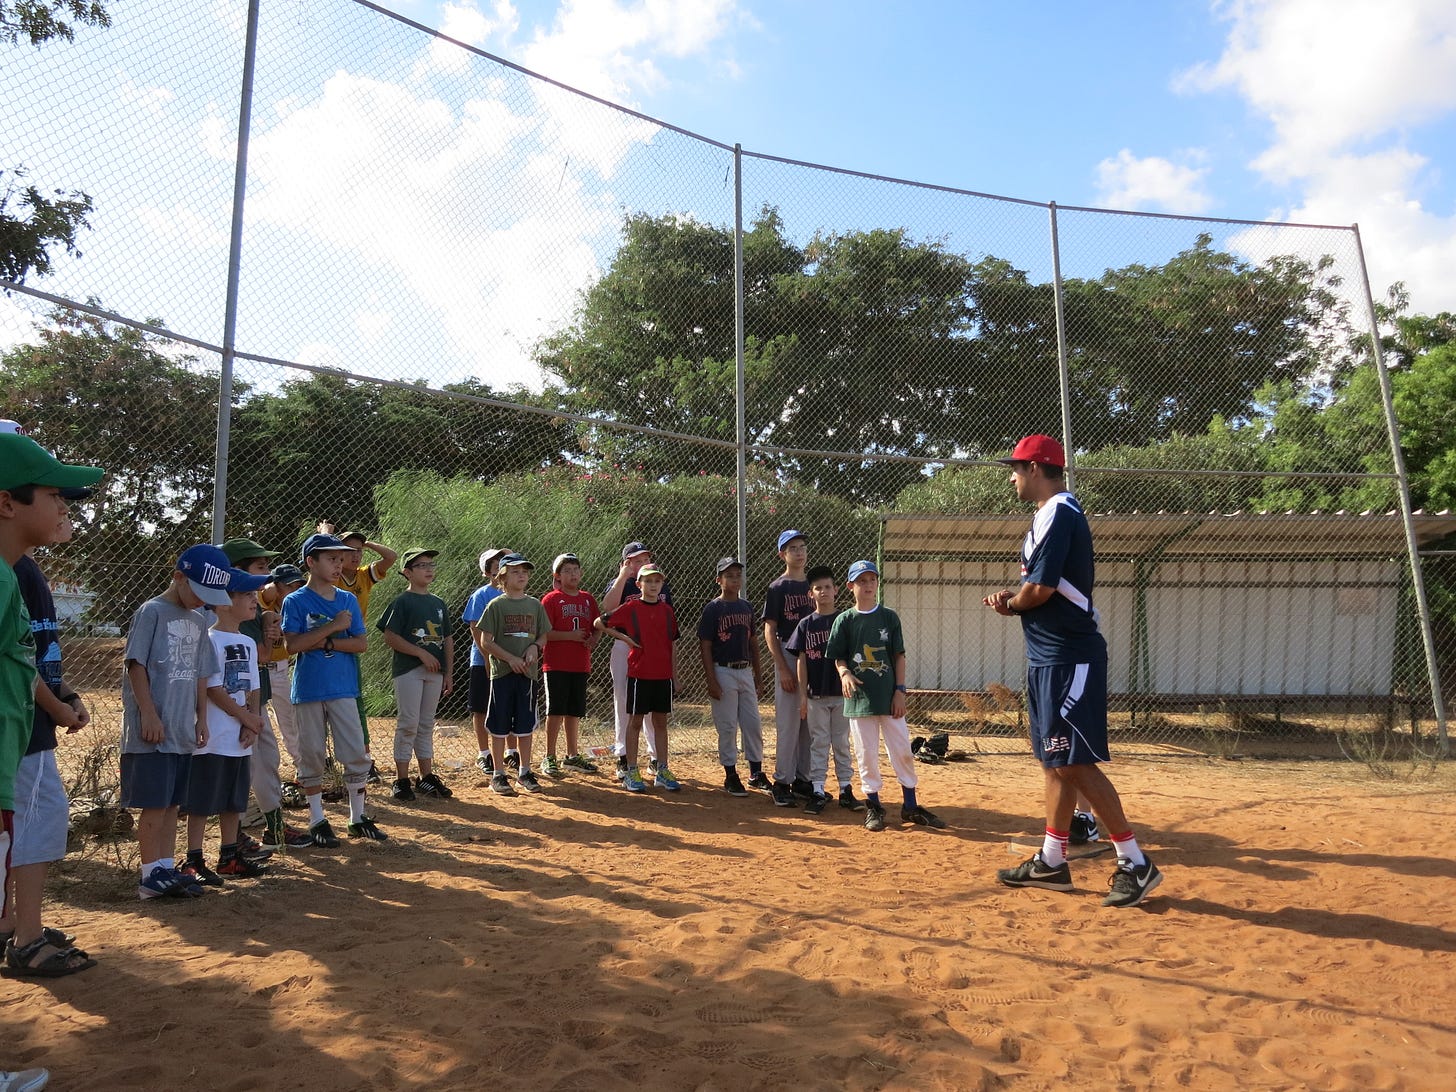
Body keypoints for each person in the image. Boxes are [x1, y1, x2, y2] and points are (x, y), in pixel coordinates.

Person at [984, 435, 1162, 907]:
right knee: (1055, 761)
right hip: (1048, 656)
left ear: (1039, 468)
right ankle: (1051, 861)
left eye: (1018, 468)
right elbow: (1041, 587)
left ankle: (1135, 862)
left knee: (1075, 761)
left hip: (1069, 657)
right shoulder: (1047, 516)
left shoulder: (1061, 511)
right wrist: (1014, 598)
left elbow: (1039, 591)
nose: (1012, 476)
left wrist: (1013, 605)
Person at [0, 432, 102, 972]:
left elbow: (24, 655)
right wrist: (56, 705)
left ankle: (15, 925)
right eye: (51, 492)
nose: (64, 505)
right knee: (31, 828)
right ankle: (24, 939)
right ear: (7, 502)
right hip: (18, 736)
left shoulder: (20, 569)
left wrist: (63, 692)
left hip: (24, 727)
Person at [120, 543, 230, 898]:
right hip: (154, 727)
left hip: (182, 726)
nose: (202, 601)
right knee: (154, 803)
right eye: (199, 592)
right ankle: (149, 875)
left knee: (171, 804)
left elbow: (200, 674)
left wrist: (201, 718)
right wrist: (148, 714)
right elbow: (136, 666)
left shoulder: (200, 619)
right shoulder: (151, 611)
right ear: (178, 577)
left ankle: (165, 868)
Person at [281, 532, 386, 845]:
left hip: (343, 687)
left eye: (341, 559)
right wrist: (333, 627)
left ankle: (356, 818)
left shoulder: (347, 599)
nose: (339, 564)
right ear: (311, 562)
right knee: (311, 754)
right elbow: (292, 645)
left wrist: (326, 641)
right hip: (309, 689)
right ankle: (317, 820)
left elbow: (361, 644)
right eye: (331, 559)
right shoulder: (295, 600)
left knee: (354, 752)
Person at [827, 560, 946, 833]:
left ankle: (911, 806)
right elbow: (839, 657)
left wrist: (900, 691)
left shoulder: (889, 617)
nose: (868, 585)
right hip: (859, 700)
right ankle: (874, 807)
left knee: (902, 750)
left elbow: (898, 656)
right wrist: (844, 672)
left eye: (872, 580)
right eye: (861, 581)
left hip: (889, 697)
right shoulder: (845, 620)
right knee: (866, 754)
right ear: (850, 587)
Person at [180, 566, 273, 886]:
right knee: (203, 798)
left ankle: (229, 856)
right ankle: (193, 859)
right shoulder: (209, 638)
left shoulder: (247, 641)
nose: (254, 600)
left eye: (253, 595)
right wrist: (245, 716)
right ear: (221, 603)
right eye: (245, 595)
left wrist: (252, 720)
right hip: (213, 735)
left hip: (239, 735)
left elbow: (254, 685)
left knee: (235, 797)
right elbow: (211, 687)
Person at [219, 537, 300, 856]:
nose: (267, 572)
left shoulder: (253, 608)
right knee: (242, 768)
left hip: (254, 701)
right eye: (260, 566)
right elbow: (262, 655)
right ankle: (238, 836)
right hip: (233, 707)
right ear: (236, 571)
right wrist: (268, 631)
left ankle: (274, 826)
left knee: (266, 762)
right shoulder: (233, 611)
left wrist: (267, 620)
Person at [594, 562, 681, 793]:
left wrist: (675, 676)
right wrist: (625, 639)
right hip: (639, 673)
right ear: (639, 584)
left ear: (661, 584)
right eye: (648, 581)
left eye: (657, 581)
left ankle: (662, 769)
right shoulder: (631, 607)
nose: (653, 585)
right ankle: (632, 771)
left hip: (662, 675)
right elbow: (599, 623)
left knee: (660, 723)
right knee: (635, 722)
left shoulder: (667, 611)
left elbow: (672, 644)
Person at [376, 548, 455, 801]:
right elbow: (390, 636)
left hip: (435, 671)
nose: (429, 569)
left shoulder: (438, 602)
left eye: (430, 564)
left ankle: (426, 776)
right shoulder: (403, 601)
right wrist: (420, 653)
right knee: (408, 722)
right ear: (407, 572)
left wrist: (449, 672)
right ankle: (401, 779)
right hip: (409, 670)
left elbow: (448, 640)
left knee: (426, 723)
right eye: (421, 565)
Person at [322, 524, 398, 784]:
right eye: (348, 551)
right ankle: (323, 760)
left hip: (351, 641)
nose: (354, 556)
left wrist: (367, 544)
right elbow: (317, 559)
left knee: (355, 703)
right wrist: (326, 537)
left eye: (358, 551)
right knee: (320, 705)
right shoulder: (332, 576)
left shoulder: (364, 575)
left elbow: (391, 557)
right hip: (323, 638)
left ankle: (364, 760)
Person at [785, 565, 863, 815]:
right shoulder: (806, 624)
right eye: (818, 588)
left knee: (841, 742)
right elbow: (802, 660)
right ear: (811, 594)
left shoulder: (846, 620)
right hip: (816, 694)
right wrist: (803, 697)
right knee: (819, 743)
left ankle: (845, 789)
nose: (824, 591)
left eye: (828, 587)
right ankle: (818, 789)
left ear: (836, 590)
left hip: (843, 696)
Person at [476, 554, 550, 795]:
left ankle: (525, 771)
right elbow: (486, 641)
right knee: (499, 725)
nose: (522, 575)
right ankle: (498, 774)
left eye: (525, 572)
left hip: (527, 675)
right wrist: (510, 658)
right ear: (503, 576)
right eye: (515, 571)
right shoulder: (496, 605)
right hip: (503, 674)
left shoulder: (535, 605)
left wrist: (534, 647)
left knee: (525, 725)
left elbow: (543, 635)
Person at [696, 557, 764, 798]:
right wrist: (711, 679)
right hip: (722, 669)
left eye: (737, 575)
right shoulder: (713, 608)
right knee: (727, 726)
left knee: (753, 724)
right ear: (719, 580)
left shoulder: (747, 607)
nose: (735, 579)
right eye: (729, 576)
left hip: (744, 670)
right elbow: (705, 645)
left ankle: (756, 772)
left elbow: (753, 642)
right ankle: (730, 775)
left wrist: (758, 674)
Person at [257, 563, 312, 848]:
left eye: (296, 584)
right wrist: (269, 590)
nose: (294, 589)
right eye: (288, 585)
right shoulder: (263, 598)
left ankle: (304, 774)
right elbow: (265, 594)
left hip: (278, 666)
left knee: (290, 721)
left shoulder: (294, 602)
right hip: (258, 666)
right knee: (260, 732)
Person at [762, 529, 814, 806]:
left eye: (802, 546)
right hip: (789, 654)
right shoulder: (778, 587)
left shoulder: (815, 585)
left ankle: (803, 780)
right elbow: (770, 630)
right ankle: (782, 781)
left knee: (810, 724)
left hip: (815, 656)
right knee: (789, 722)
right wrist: (782, 668)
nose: (799, 551)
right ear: (782, 554)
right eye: (792, 548)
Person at [540, 553, 601, 776]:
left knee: (574, 712)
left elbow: (597, 626)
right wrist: (570, 636)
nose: (573, 574)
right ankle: (549, 756)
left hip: (580, 663)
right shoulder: (551, 599)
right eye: (567, 570)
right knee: (555, 710)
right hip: (556, 664)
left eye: (576, 569)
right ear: (557, 576)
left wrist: (594, 639)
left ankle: (572, 755)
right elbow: (544, 633)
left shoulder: (587, 598)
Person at [463, 547, 511, 774]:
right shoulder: (481, 595)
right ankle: (484, 754)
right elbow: (475, 629)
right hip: (483, 661)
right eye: (494, 566)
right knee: (481, 708)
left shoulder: (512, 594)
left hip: (510, 660)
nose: (499, 567)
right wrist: (487, 658)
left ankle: (512, 752)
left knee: (508, 706)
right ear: (487, 572)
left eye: (503, 563)